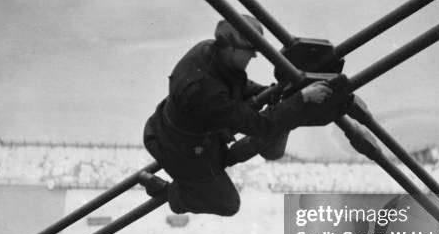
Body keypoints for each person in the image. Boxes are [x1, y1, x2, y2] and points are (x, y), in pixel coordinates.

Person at [140, 14, 332, 216]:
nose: (253, 57)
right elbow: (258, 124)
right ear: (231, 47)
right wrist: (300, 99)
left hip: (186, 128)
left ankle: (196, 175)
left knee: (232, 152)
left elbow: (235, 84)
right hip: (180, 149)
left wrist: (266, 92)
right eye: (250, 52)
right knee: (229, 204)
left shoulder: (209, 51)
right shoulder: (205, 91)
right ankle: (168, 192)